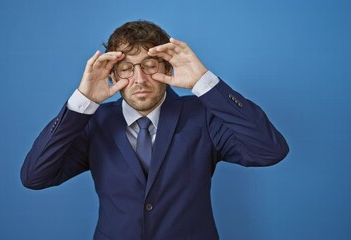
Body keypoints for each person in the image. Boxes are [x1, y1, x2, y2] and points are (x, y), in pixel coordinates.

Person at [21, 20, 289, 240]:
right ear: (112, 75)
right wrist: (82, 101)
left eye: (149, 66)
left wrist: (204, 83)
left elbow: (270, 150)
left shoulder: (203, 115)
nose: (139, 79)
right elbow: (35, 176)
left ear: (168, 67)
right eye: (126, 68)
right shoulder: (94, 123)